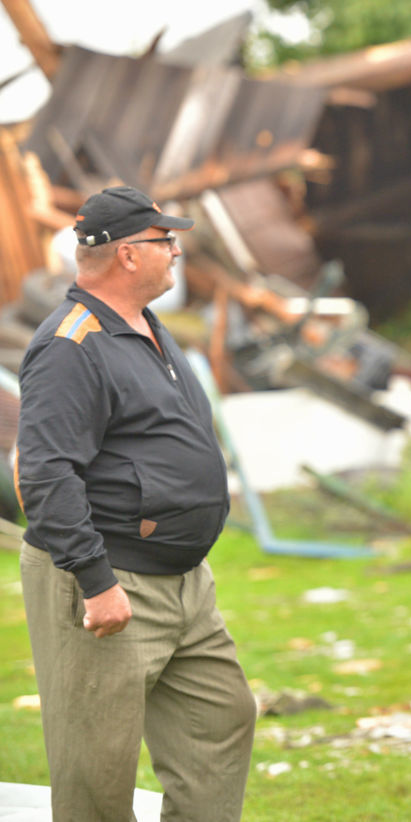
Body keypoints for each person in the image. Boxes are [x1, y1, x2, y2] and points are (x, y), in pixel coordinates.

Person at [16, 186, 256, 821]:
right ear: (127, 255)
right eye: (164, 241)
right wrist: (95, 583)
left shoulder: (143, 325)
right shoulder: (71, 344)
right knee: (96, 775)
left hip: (183, 583)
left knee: (222, 718)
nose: (176, 251)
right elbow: (44, 474)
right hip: (108, 582)